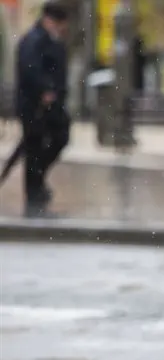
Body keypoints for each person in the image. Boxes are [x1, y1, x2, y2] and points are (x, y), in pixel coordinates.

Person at [14, 2, 70, 217]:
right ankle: (34, 195)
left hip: (51, 105)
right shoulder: (34, 40)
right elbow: (30, 68)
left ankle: (37, 186)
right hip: (35, 106)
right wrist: (45, 90)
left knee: (59, 137)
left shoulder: (51, 41)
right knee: (34, 149)